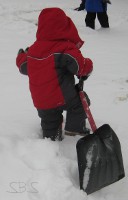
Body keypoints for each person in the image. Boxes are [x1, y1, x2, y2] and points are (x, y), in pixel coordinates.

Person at [16, 8, 93, 141]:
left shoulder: (33, 50)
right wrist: (88, 65)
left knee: (49, 121)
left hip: (41, 101)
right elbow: (80, 67)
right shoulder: (64, 48)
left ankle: (50, 139)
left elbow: (23, 66)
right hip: (63, 97)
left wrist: (21, 55)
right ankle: (74, 131)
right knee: (80, 102)